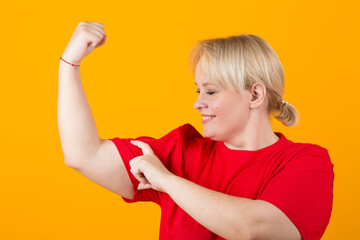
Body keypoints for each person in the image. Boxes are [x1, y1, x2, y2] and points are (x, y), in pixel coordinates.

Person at [58, 21, 334, 240]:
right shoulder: (182, 150)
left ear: (254, 95)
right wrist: (69, 65)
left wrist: (166, 181)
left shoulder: (307, 163)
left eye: (211, 91)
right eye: (198, 90)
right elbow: (83, 155)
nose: (197, 103)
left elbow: (254, 229)